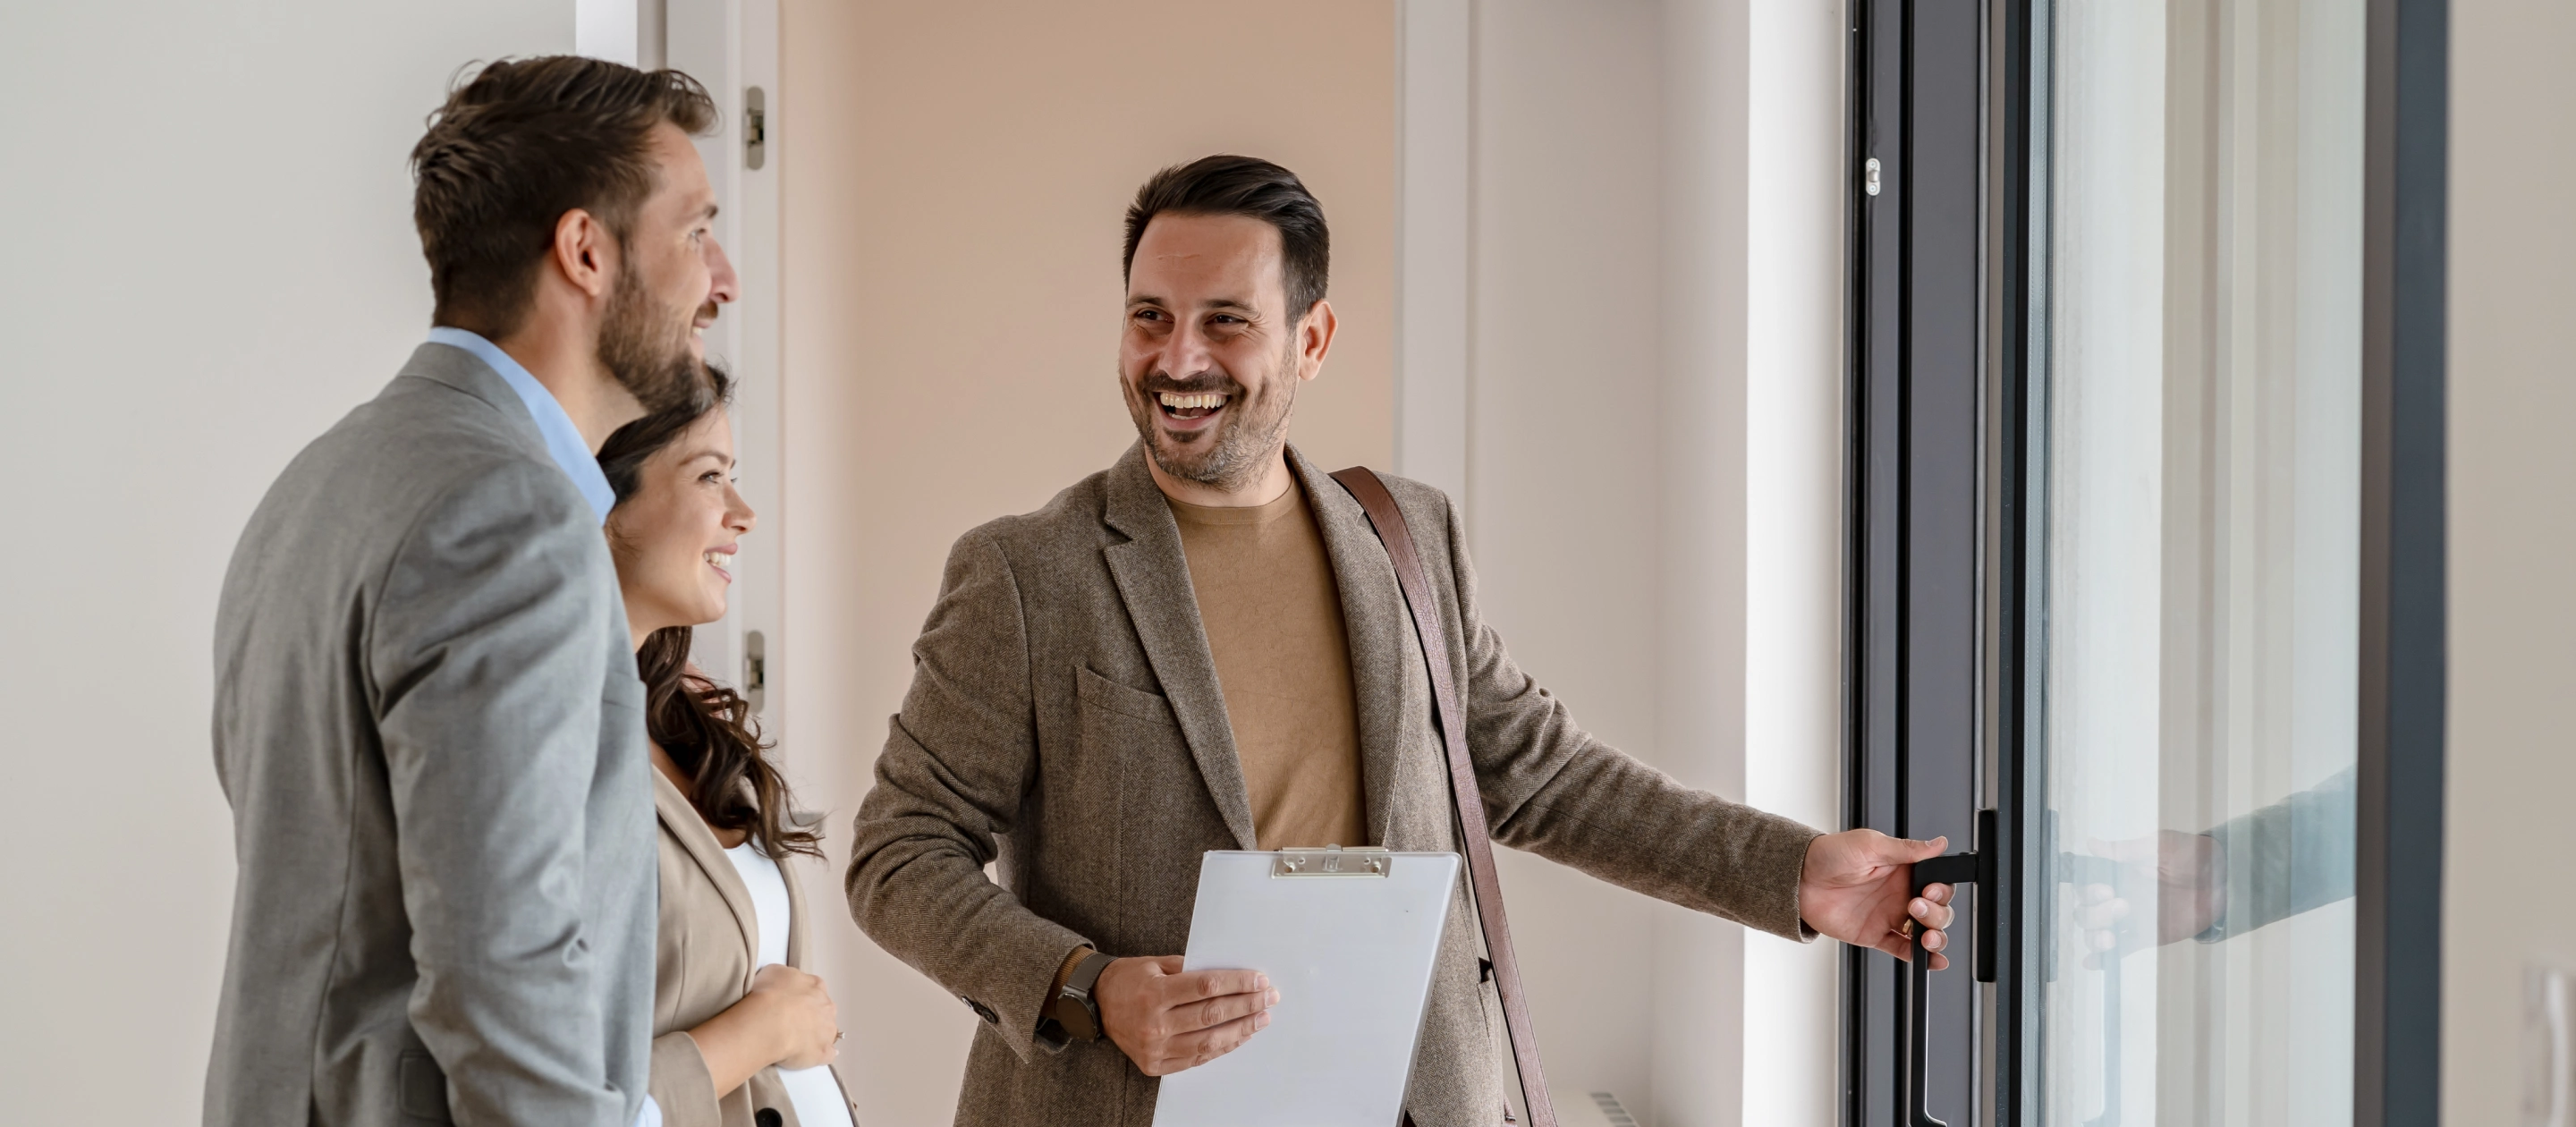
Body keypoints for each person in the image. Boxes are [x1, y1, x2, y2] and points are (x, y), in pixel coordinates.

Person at [843, 154, 1959, 1126]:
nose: (1177, 358)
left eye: (1226, 320)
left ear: (1312, 338)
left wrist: (1794, 871)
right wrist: (1087, 987)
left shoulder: (1404, 538)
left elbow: (1542, 777)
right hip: (1120, 1107)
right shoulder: (1026, 573)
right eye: (1149, 317)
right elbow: (899, 853)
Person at [206, 56, 733, 1127]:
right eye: (694, 233)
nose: (721, 278)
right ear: (586, 251)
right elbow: (508, 977)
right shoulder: (510, 515)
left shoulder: (319, 481)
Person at [595, 370, 861, 1127]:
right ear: (604, 503)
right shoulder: (543, 750)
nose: (742, 515)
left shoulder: (678, 720)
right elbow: (545, 1098)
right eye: (711, 477)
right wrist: (765, 1032)